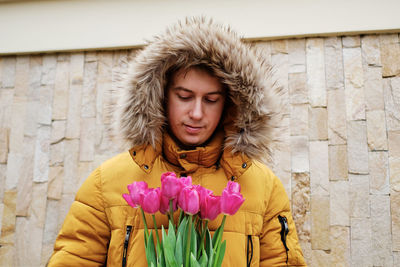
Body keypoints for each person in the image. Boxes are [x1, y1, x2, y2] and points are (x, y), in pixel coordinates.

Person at [48, 17, 306, 266]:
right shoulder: (107, 182)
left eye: (211, 100)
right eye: (184, 96)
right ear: (160, 96)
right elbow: (74, 259)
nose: (196, 113)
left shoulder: (263, 186)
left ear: (230, 105)